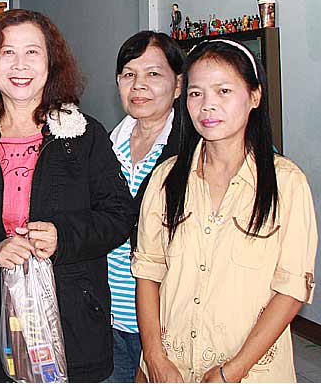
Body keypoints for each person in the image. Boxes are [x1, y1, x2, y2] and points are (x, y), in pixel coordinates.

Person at [0, 9, 137, 382]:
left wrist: (63, 236)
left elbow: (119, 214)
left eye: (32, 52)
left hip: (72, 325)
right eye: (7, 52)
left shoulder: (84, 136)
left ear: (50, 62)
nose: (20, 64)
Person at [133, 40, 318, 383]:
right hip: (169, 369)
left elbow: (291, 289)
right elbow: (147, 273)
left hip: (249, 372)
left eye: (223, 91)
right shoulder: (166, 180)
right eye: (196, 93)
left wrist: (233, 371)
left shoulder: (286, 184)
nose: (208, 105)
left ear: (254, 96)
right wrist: (155, 358)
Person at [106, 31, 184, 382]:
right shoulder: (103, 147)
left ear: (178, 85)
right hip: (106, 320)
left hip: (166, 326)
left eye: (153, 74)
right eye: (129, 74)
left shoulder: (193, 152)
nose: (139, 85)